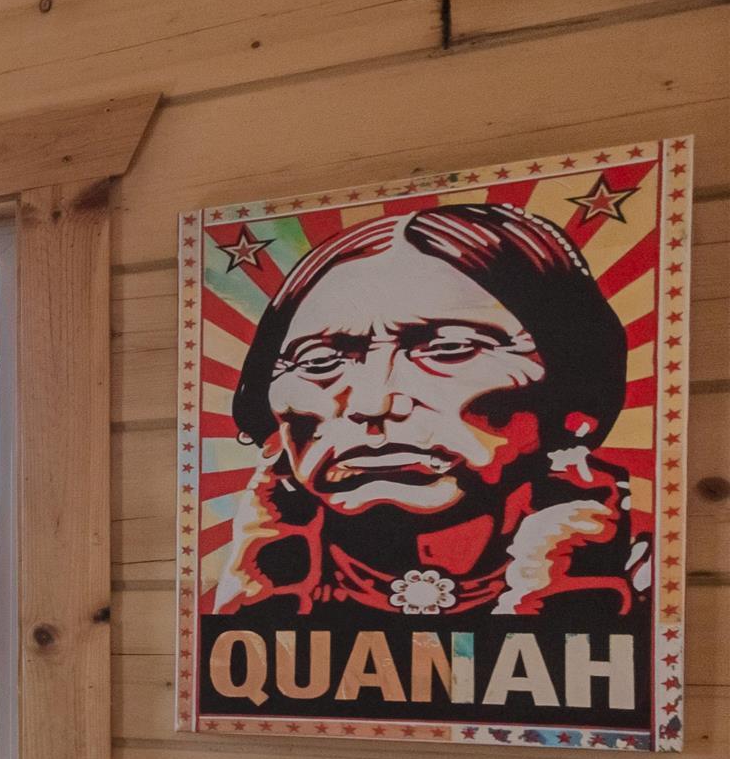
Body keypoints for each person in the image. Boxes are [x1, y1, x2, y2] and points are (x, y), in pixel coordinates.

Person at [210, 201, 642, 620]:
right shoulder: (243, 588)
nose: (370, 403)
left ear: (573, 389)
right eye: (318, 362)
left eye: (450, 349)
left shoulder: (647, 586)